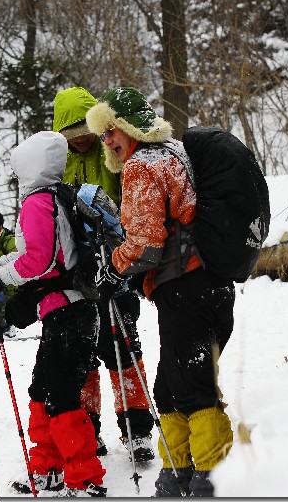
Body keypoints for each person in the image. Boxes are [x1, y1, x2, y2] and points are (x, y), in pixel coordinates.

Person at [86, 87, 235, 497]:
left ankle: (212, 478)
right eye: (103, 135)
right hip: (209, 285)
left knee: (193, 386)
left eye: (112, 131)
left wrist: (113, 267)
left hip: (185, 287)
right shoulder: (176, 152)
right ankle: (176, 474)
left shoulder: (141, 166)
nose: (108, 141)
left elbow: (147, 243)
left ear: (131, 128)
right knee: (170, 388)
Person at [0, 131, 106, 497]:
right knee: (42, 390)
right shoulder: (54, 197)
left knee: (60, 397)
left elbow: (39, 260)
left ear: (29, 166)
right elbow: (44, 256)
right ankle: (46, 468)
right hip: (69, 311)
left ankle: (84, 477)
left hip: (69, 313)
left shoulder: (36, 203)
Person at [53, 86, 154, 461]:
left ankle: (137, 429)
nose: (79, 139)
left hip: (115, 266)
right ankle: (87, 428)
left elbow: (130, 203)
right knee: (82, 354)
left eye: (84, 130)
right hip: (75, 270)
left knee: (123, 348)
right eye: (71, 133)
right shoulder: (57, 160)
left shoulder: (112, 150)